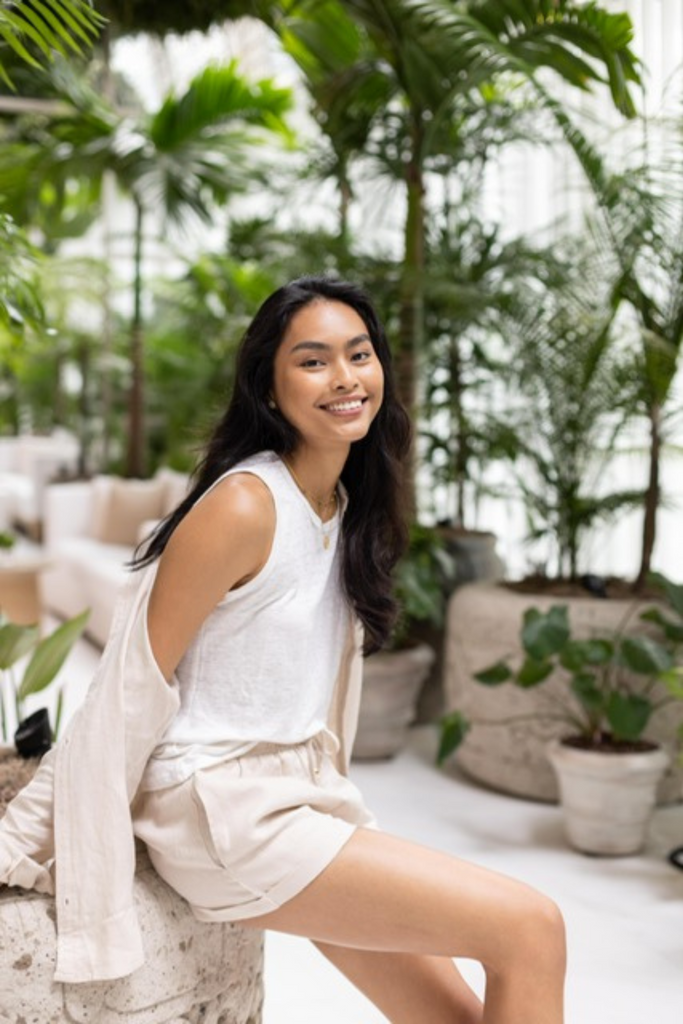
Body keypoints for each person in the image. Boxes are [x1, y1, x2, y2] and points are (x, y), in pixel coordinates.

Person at [1, 276, 566, 1020]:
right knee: (530, 928)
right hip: (224, 810)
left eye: (358, 354)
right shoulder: (243, 504)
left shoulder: (344, 503)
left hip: (300, 798)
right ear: (268, 387)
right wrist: (23, 835)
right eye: (313, 360)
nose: (344, 378)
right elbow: (129, 683)